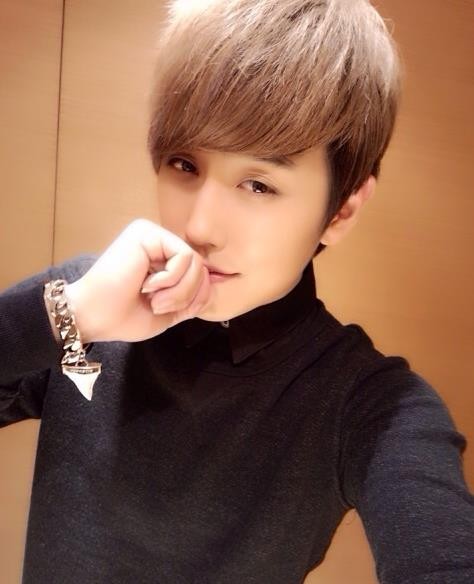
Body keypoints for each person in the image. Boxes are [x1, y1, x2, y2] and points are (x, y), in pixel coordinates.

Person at [1, 0, 473, 582]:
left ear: (343, 209)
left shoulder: (365, 402)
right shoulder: (89, 303)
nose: (199, 227)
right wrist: (68, 316)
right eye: (184, 164)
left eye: (258, 184)